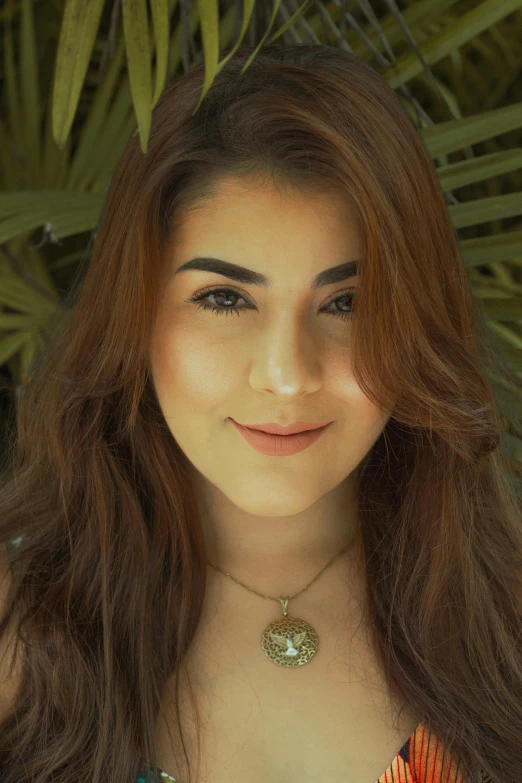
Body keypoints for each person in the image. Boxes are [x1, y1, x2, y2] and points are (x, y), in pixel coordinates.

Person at [1, 43, 519, 783]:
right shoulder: (21, 619)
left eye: (348, 303)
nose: (286, 374)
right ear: (136, 314)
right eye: (225, 298)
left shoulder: (506, 619)